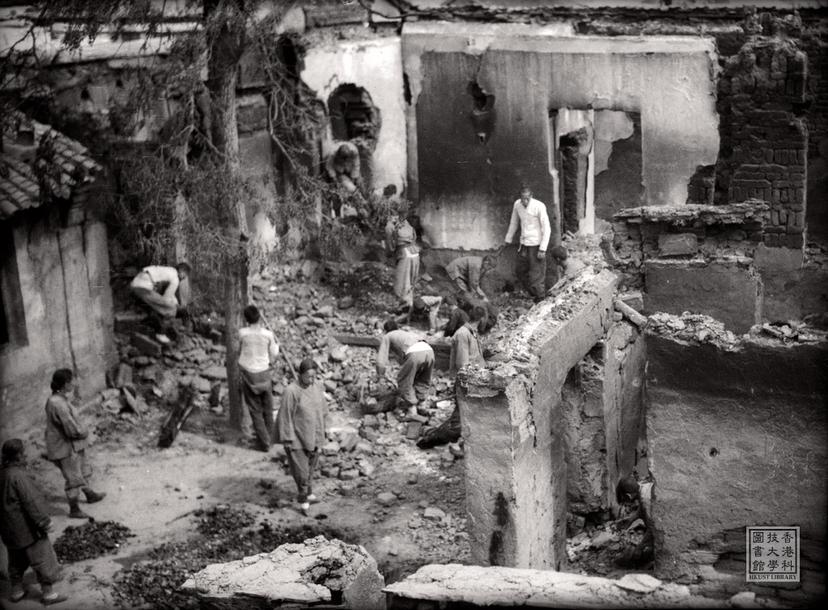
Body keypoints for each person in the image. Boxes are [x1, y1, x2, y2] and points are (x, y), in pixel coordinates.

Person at [0, 439, 67, 605]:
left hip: (9, 529)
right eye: (23, 454)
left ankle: (16, 592)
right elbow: (32, 502)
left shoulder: (2, 474)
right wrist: (44, 522)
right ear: (17, 457)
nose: (26, 456)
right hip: (27, 529)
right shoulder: (19, 476)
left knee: (15, 560)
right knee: (43, 558)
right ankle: (48, 594)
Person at [418, 305, 486, 449]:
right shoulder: (462, 334)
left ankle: (434, 434)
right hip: (467, 382)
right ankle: (430, 439)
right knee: (459, 421)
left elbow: (476, 358)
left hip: (475, 381)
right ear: (481, 319)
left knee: (464, 417)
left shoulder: (472, 332)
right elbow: (463, 364)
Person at [44, 369, 106, 519]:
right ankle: (74, 509)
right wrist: (85, 432)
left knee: (82, 469)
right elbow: (72, 430)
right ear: (65, 384)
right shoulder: (57, 404)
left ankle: (89, 494)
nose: (74, 383)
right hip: (63, 447)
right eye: (72, 381)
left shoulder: (60, 399)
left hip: (71, 444)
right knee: (73, 477)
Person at [275, 358, 327, 516]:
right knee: (302, 471)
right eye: (308, 377)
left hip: (314, 433)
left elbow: (322, 409)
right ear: (300, 375)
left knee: (311, 467)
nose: (311, 380)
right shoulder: (291, 391)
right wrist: (287, 438)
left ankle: (309, 492)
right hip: (296, 436)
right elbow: (285, 416)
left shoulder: (317, 386)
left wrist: (325, 429)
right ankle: (303, 499)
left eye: (314, 376)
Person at [238, 305, 280, 452]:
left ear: (246, 319)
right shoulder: (268, 334)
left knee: (255, 410)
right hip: (264, 372)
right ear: (259, 317)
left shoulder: (242, 333)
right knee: (267, 408)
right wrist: (271, 361)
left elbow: (238, 350)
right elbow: (274, 353)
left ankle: (264, 442)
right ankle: (270, 438)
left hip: (249, 374)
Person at [375, 319, 434, 420]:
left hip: (415, 353)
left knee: (404, 380)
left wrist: (380, 375)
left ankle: (412, 410)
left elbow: (382, 357)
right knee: (422, 378)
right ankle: (422, 405)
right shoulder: (404, 333)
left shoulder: (388, 336)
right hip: (429, 351)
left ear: (386, 330)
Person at [503, 184, 552, 302]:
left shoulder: (539, 206)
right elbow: (514, 222)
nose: (524, 201)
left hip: (536, 245)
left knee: (536, 274)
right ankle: (532, 294)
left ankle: (540, 298)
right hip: (524, 244)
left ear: (531, 196)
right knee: (520, 270)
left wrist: (542, 248)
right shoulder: (517, 205)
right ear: (519, 197)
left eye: (527, 198)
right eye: (522, 198)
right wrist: (508, 239)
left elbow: (547, 228)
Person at [385, 201, 420, 310]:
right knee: (410, 283)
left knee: (401, 284)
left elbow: (390, 244)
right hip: (415, 253)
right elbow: (414, 238)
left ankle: (404, 310)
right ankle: (409, 307)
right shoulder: (406, 223)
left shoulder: (390, 225)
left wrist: (390, 254)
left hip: (405, 254)